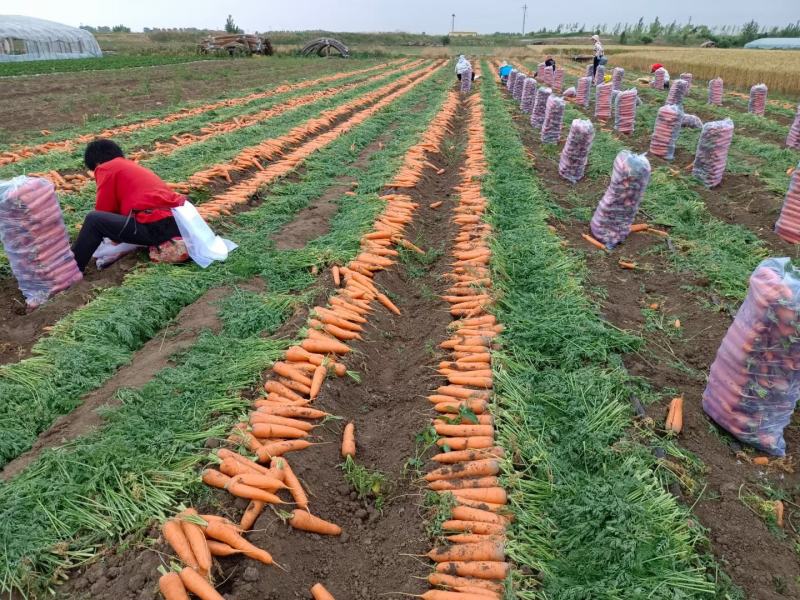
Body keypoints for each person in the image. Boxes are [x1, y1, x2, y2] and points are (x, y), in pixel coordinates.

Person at [71, 139, 185, 272]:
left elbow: (104, 210)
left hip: (156, 226)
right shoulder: (128, 166)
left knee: (93, 220)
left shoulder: (106, 168)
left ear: (97, 163)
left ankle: (72, 269)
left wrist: (113, 238)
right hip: (176, 222)